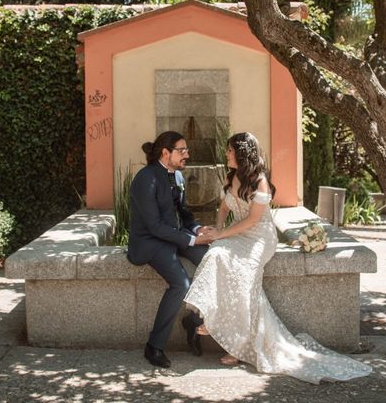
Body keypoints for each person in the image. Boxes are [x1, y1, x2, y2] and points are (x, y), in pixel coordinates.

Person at [184, 132, 372, 384]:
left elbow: (252, 220)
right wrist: (215, 228)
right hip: (238, 233)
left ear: (242, 153)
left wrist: (221, 234)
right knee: (216, 255)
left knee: (242, 275)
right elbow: (224, 207)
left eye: (230, 150)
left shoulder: (260, 182)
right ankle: (213, 318)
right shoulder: (232, 178)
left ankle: (234, 343)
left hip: (260, 239)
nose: (227, 154)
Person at [127, 131, 214, 369]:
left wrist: (197, 229)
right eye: (182, 150)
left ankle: (194, 321)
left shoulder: (177, 176)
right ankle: (154, 346)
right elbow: (154, 226)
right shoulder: (145, 179)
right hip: (149, 241)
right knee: (181, 284)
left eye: (187, 150)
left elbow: (184, 214)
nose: (187, 154)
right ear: (166, 153)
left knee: (211, 259)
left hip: (173, 237)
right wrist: (190, 241)